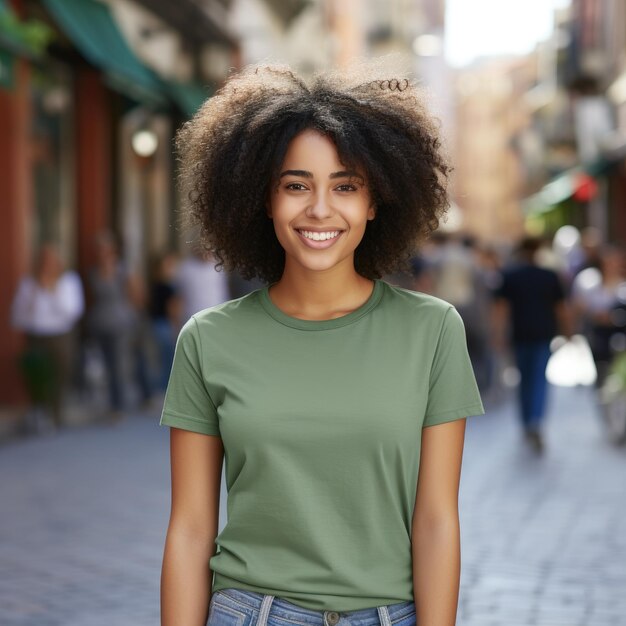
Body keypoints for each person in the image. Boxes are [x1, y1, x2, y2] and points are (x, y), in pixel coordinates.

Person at [159, 62, 485, 626]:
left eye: (345, 186)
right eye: (295, 185)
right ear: (263, 199)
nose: (319, 209)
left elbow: (436, 520)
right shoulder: (208, 341)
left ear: (375, 202)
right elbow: (190, 529)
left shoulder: (432, 331)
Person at [492, 236, 571, 453]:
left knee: (524, 379)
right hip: (543, 334)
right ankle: (535, 420)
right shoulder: (549, 276)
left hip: (520, 335)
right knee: (538, 379)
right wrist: (568, 333)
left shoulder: (510, 276)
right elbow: (561, 308)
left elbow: (501, 309)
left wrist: (498, 335)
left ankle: (527, 422)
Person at [11, 243, 84, 431]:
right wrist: (37, 292)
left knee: (61, 373)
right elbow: (18, 315)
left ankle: (56, 413)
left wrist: (52, 290)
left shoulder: (68, 281)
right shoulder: (28, 283)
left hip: (61, 334)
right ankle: (39, 412)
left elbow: (72, 311)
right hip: (37, 334)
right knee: (37, 374)